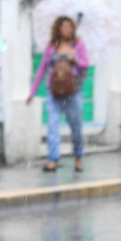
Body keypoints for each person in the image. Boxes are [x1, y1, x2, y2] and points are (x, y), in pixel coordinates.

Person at [27, 16, 90, 172]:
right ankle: (53, 159)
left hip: (73, 92)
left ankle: (78, 157)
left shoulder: (78, 45)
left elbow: (86, 64)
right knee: (52, 126)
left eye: (70, 26)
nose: (68, 29)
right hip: (54, 92)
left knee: (76, 127)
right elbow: (42, 69)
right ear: (58, 29)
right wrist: (32, 92)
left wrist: (75, 58)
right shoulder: (51, 47)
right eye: (65, 26)